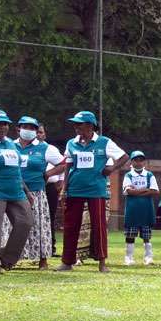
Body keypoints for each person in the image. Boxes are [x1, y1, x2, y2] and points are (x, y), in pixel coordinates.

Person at [55, 111, 128, 273]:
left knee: (99, 226)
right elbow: (68, 165)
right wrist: (64, 189)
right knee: (70, 225)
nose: (75, 127)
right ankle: (67, 262)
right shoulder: (71, 143)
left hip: (96, 190)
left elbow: (124, 157)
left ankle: (102, 263)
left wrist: (112, 168)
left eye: (79, 124)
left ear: (90, 125)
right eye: (74, 124)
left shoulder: (104, 142)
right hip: (74, 189)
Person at [1, 116, 65, 270]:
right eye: (25, 127)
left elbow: (64, 163)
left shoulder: (45, 148)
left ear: (37, 131)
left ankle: (43, 260)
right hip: (12, 191)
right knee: (11, 225)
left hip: (36, 193)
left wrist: (49, 173)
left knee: (38, 225)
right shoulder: (9, 145)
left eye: (32, 128)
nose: (28, 130)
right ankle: (9, 259)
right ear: (18, 129)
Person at [0, 109, 33, 275]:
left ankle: (6, 259)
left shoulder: (10, 143)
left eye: (5, 124)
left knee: (26, 221)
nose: (2, 127)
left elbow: (15, 170)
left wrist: (27, 192)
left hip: (16, 192)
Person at [122, 151, 160, 266]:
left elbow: (155, 191)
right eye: (135, 160)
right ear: (131, 162)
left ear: (144, 162)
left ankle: (148, 257)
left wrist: (136, 192)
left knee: (146, 236)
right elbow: (128, 191)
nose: (138, 163)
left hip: (146, 209)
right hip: (132, 210)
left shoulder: (149, 175)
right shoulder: (128, 175)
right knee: (130, 235)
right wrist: (145, 190)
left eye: (141, 160)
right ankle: (129, 257)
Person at [39, 124, 63, 256]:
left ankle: (50, 248)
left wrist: (60, 180)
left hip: (50, 187)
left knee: (50, 217)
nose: (38, 134)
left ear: (45, 134)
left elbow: (63, 164)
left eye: (41, 132)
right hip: (31, 187)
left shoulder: (50, 149)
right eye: (36, 132)